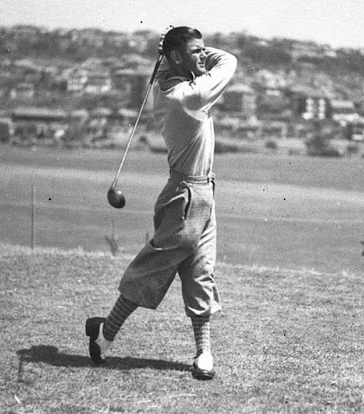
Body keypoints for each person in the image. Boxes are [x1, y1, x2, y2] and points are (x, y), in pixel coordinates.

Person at [85, 26, 237, 380]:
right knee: (154, 269)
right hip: (184, 195)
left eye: (202, 50)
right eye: (196, 51)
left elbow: (185, 64)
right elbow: (228, 61)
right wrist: (184, 54)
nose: (203, 56)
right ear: (177, 58)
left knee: (201, 271)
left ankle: (203, 352)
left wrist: (179, 53)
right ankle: (105, 334)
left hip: (202, 192)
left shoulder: (172, 81)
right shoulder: (186, 94)